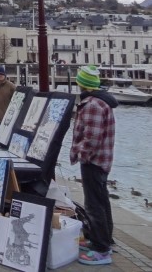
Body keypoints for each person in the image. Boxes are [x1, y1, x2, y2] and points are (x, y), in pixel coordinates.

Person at [70, 65, 118, 266]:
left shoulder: (92, 105)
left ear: (83, 84)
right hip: (102, 160)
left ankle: (101, 249)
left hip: (93, 161)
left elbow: (91, 138)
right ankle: (105, 239)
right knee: (101, 200)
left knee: (93, 204)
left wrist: (81, 155)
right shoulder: (101, 102)